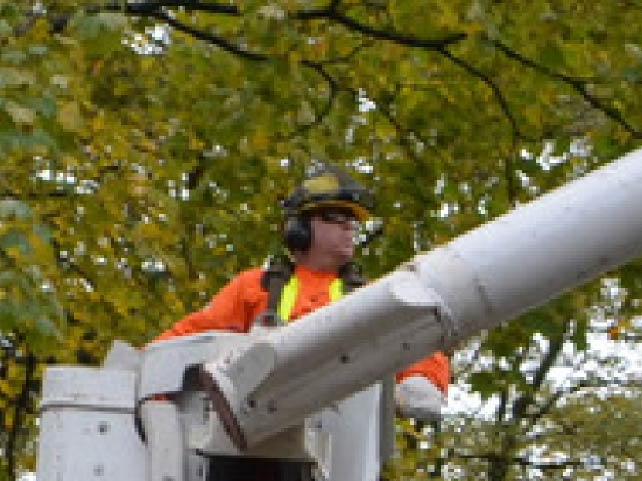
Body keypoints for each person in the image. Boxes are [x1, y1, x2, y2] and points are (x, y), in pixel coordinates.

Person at [157, 164, 454, 420]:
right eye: (337, 217)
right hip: (256, 435)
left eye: (353, 221)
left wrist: (423, 380)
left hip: (343, 439)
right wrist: (149, 378)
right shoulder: (255, 287)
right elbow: (193, 335)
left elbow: (413, 340)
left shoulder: (370, 297)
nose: (349, 227)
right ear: (300, 228)